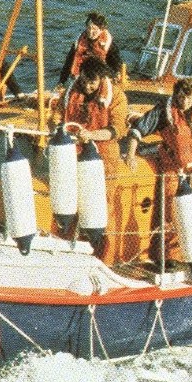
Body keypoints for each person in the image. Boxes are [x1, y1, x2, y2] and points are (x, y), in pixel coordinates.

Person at [125, 77, 192, 268]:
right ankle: (170, 255)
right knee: (172, 210)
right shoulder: (164, 111)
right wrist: (130, 154)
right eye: (180, 97)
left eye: (189, 98)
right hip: (175, 169)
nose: (184, 101)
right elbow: (138, 129)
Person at [52, 57, 129, 263]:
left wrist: (92, 135)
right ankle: (65, 254)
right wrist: (57, 123)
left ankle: (105, 259)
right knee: (68, 204)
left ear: (101, 79)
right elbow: (59, 112)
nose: (87, 86)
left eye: (92, 83)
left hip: (102, 158)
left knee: (103, 209)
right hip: (73, 156)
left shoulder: (116, 96)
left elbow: (117, 129)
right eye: (84, 81)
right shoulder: (72, 91)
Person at [58, 12, 123, 88]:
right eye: (89, 28)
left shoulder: (108, 44)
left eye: (94, 29)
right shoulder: (78, 43)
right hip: (82, 76)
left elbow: (115, 61)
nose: (90, 32)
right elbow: (68, 63)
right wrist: (61, 81)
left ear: (101, 30)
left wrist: (117, 73)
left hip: (99, 76)